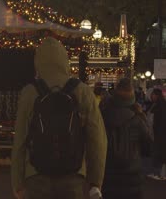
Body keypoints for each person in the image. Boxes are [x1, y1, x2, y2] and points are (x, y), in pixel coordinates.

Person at [11, 37, 107, 199]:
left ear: (38, 61)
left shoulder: (29, 92)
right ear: (65, 60)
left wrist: (17, 182)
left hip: (36, 175)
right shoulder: (82, 91)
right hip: (73, 176)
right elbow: (97, 139)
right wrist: (95, 181)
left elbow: (20, 140)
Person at [100, 78, 153, 199]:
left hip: (108, 175)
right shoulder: (138, 119)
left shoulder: (103, 116)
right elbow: (148, 147)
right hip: (132, 175)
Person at [147, 88, 166, 180]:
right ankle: (158, 172)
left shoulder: (158, 106)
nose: (151, 96)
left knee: (158, 152)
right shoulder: (158, 105)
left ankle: (158, 173)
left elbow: (157, 121)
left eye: (153, 94)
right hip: (158, 133)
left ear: (157, 95)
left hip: (158, 133)